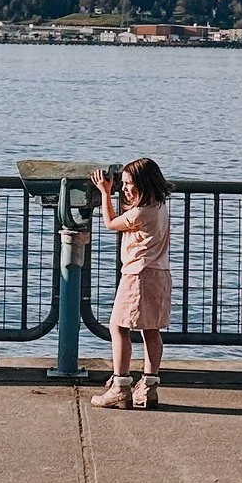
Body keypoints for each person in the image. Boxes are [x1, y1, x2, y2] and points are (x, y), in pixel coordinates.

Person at [89, 157, 171, 409]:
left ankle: (120, 386)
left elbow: (111, 223)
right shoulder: (159, 207)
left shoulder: (141, 212)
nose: (123, 189)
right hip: (160, 274)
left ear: (143, 184)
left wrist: (104, 193)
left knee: (118, 327)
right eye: (122, 184)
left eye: (128, 184)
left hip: (138, 275)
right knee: (151, 329)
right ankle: (148, 386)